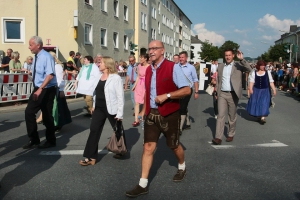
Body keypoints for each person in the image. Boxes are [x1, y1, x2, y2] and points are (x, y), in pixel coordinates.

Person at [125, 40, 191, 198]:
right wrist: (142, 110)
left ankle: (182, 166)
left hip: (170, 113)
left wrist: (167, 95)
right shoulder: (148, 70)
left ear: (163, 50)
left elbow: (187, 90)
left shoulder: (173, 67)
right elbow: (148, 92)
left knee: (173, 145)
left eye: (155, 48)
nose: (151, 51)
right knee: (148, 147)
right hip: (152, 114)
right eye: (149, 49)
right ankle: (143, 184)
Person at [79, 56, 124, 166]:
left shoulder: (115, 78)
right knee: (94, 130)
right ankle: (91, 157)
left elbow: (120, 97)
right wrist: (94, 105)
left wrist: (120, 113)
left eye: (101, 63)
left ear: (107, 65)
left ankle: (121, 149)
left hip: (111, 108)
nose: (99, 64)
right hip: (99, 108)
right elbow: (95, 93)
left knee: (118, 129)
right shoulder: (99, 77)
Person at [23, 36, 57, 149]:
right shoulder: (36, 57)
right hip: (38, 87)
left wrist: (40, 89)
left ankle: (51, 141)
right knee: (29, 112)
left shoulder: (47, 57)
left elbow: (50, 75)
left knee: (47, 115)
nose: (29, 47)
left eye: (31, 45)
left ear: (38, 45)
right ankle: (34, 139)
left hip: (47, 89)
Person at [212, 48, 252, 145]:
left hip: (233, 94)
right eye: (226, 55)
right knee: (221, 115)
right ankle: (218, 137)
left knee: (232, 115)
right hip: (222, 93)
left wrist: (242, 59)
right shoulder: (221, 66)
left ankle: (230, 134)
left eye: (229, 55)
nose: (228, 57)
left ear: (233, 55)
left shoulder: (238, 65)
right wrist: (217, 91)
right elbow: (219, 80)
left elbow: (250, 69)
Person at [177, 51, 199, 134]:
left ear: (186, 58)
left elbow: (195, 80)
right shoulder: (176, 67)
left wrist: (196, 92)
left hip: (187, 89)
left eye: (183, 57)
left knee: (182, 107)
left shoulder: (191, 67)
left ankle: (179, 128)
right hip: (178, 90)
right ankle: (188, 122)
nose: (181, 59)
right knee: (181, 106)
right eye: (180, 57)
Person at [49, 51, 72, 131]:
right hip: (51, 89)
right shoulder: (50, 66)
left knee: (58, 107)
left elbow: (60, 79)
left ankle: (58, 124)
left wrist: (61, 90)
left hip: (56, 88)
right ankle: (53, 123)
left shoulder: (57, 66)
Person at [132, 53, 150, 128]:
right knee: (137, 102)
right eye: (140, 58)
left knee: (144, 102)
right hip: (139, 85)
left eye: (142, 58)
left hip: (145, 85)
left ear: (145, 59)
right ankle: (136, 119)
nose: (140, 59)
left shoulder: (149, 67)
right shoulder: (139, 66)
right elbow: (138, 76)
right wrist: (134, 85)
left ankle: (143, 117)